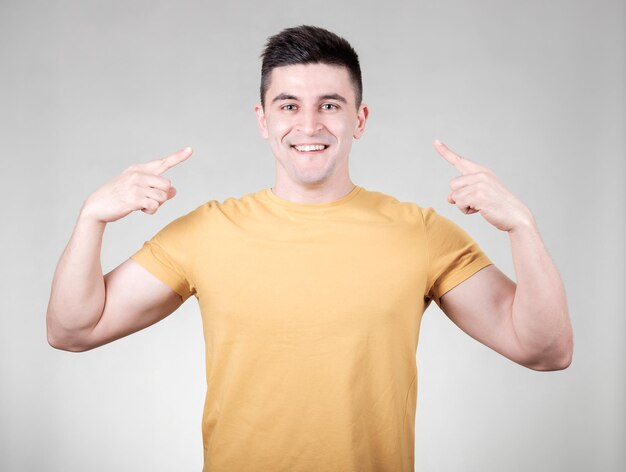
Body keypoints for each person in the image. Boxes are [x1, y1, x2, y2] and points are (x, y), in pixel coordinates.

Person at [46, 25, 573, 472]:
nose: (309, 125)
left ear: (359, 120)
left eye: (330, 105)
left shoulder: (423, 234)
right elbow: (73, 330)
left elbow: (545, 350)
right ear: (263, 120)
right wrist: (92, 217)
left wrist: (522, 227)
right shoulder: (208, 231)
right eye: (289, 105)